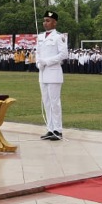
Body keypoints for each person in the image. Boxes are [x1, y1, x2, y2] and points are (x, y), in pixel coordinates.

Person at [35, 10, 70, 141]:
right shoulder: (40, 37)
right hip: (43, 73)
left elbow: (63, 54)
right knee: (46, 102)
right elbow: (38, 53)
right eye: (44, 20)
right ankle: (50, 129)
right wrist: (39, 63)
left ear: (55, 23)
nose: (45, 23)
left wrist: (47, 62)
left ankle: (58, 130)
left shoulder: (59, 37)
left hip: (54, 72)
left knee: (55, 103)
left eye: (48, 21)